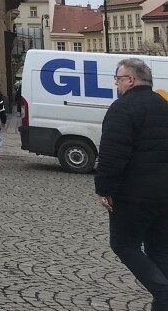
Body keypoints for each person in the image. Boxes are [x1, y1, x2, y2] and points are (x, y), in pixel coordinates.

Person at [95, 58, 168, 311]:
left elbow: (112, 154)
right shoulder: (163, 105)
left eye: (117, 79)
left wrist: (104, 189)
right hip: (164, 193)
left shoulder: (122, 108)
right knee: (159, 248)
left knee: (123, 244)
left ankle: (163, 292)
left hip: (134, 194)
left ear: (130, 80)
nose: (116, 84)